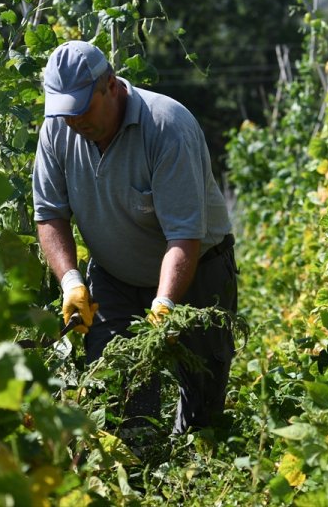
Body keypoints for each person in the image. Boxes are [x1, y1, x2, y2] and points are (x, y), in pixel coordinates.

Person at [32, 40, 237, 437]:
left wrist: (164, 305)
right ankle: (137, 483)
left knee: (201, 412)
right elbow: (49, 213)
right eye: (63, 111)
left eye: (81, 108)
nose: (72, 121)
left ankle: (194, 485)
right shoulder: (58, 128)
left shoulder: (166, 127)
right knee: (122, 397)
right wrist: (72, 282)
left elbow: (183, 236)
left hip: (197, 274)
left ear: (110, 85)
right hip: (114, 277)